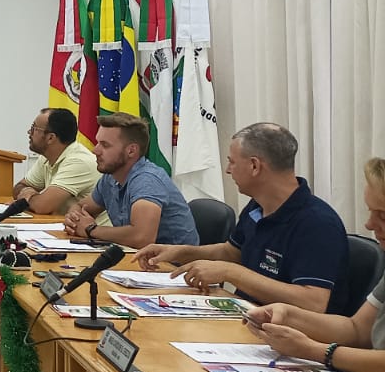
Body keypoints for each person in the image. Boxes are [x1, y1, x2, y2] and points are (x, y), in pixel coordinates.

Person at [137, 123, 353, 314]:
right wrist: (181, 252)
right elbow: (231, 252)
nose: (227, 170)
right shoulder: (258, 205)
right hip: (246, 316)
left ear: (254, 166)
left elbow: (313, 302)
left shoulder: (317, 223)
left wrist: (231, 273)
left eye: (232, 162)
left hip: (288, 335)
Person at [243, 158, 385, 372]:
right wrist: (287, 314)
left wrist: (313, 350)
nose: (369, 224)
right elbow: (357, 330)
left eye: (382, 215)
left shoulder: (317, 220)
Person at [63, 113, 199, 248]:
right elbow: (81, 207)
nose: (95, 150)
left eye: (105, 145)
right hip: (138, 257)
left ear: (131, 151)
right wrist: (74, 220)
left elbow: (142, 238)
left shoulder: (147, 181)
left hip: (173, 260)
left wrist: (91, 230)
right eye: (98, 142)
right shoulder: (111, 177)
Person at [13, 108, 102, 217]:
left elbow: (43, 206)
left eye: (34, 129)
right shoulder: (46, 157)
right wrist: (28, 191)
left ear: (50, 138)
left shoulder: (79, 162)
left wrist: (26, 197)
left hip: (91, 227)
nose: (29, 133)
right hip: (62, 224)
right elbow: (18, 188)